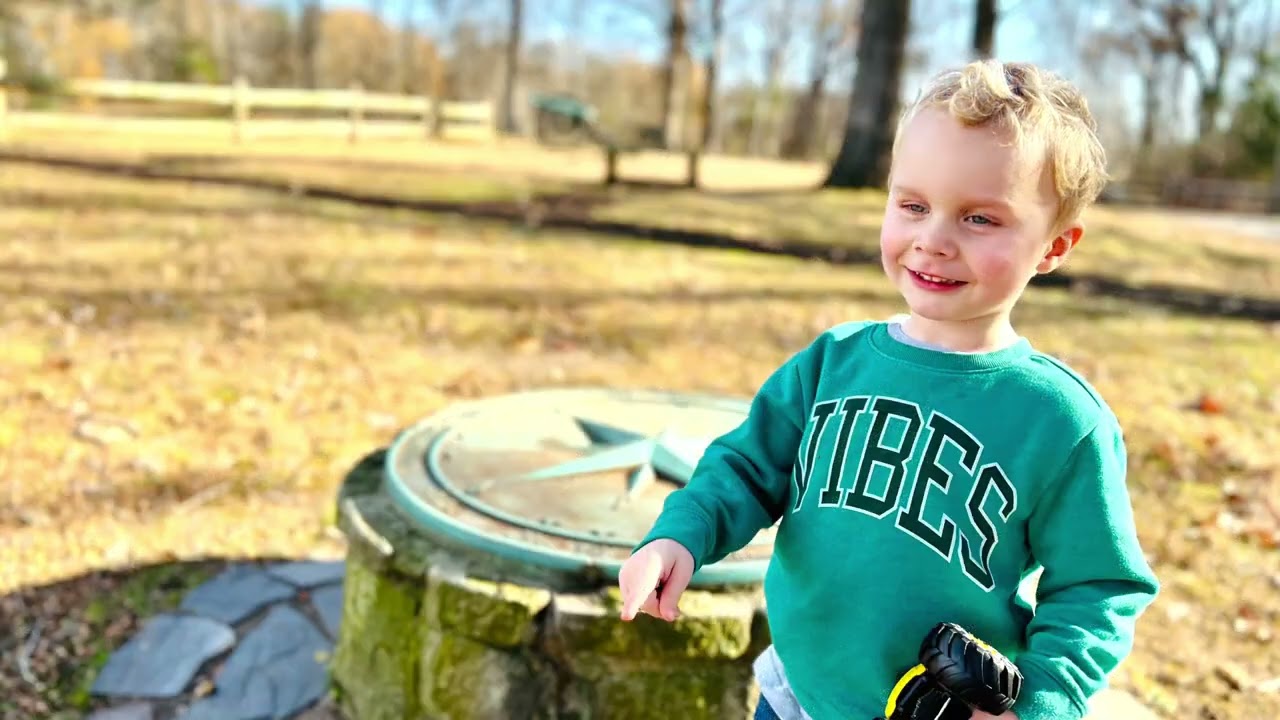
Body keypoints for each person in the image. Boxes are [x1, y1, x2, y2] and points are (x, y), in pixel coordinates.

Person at [616, 59, 1160, 720]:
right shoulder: (833, 363)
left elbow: (1098, 586)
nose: (933, 240)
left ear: (1053, 246)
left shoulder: (1060, 421)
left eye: (980, 219)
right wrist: (681, 535)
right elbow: (744, 468)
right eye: (913, 205)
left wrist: (1043, 701)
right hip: (795, 695)